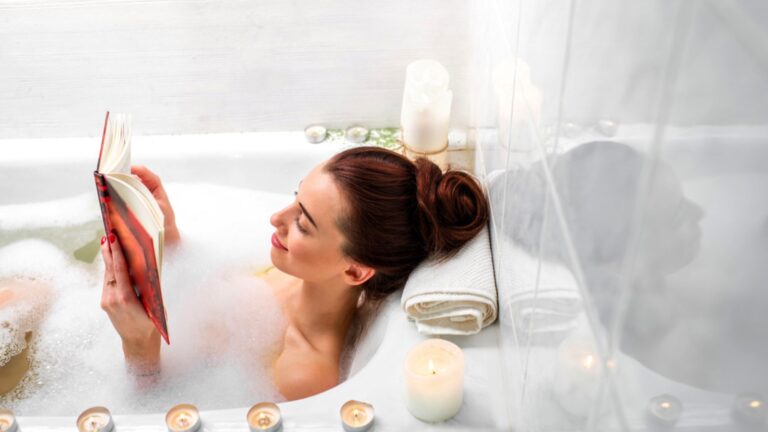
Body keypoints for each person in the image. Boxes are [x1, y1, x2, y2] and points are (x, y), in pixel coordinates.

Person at [100, 147, 488, 400]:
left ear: (355, 270)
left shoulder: (303, 375)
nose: (277, 218)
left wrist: (138, 345)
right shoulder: (296, 272)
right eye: (295, 198)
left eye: (303, 223)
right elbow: (207, 296)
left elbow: (155, 411)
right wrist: (167, 236)